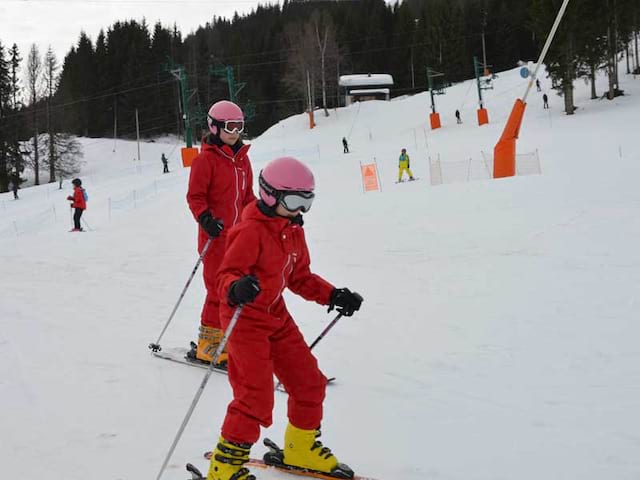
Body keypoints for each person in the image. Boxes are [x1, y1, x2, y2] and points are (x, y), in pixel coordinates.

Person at [206, 156, 363, 480]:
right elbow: (227, 274)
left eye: (307, 201)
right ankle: (224, 469)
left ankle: (300, 448)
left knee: (309, 383)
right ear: (269, 195)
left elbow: (300, 277)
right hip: (244, 318)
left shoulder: (291, 230)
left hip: (276, 316)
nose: (300, 210)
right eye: (294, 200)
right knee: (255, 397)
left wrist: (333, 295)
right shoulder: (249, 231)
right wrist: (235, 288)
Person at [186, 100, 256, 367]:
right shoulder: (205, 161)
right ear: (214, 127)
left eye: (239, 126)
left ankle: (228, 339)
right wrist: (205, 219)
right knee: (217, 290)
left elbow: (247, 197)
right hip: (215, 239)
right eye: (230, 126)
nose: (235, 132)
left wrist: (263, 216)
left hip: (239, 238)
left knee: (237, 291)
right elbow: (195, 196)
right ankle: (209, 345)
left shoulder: (242, 161)